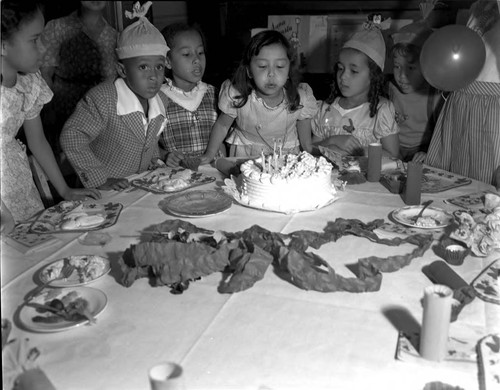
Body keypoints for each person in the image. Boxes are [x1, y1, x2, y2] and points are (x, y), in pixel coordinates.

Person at [0, 0, 100, 223]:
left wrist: (64, 190)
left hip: (18, 184)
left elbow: (38, 142)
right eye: (34, 40)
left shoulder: (29, 83)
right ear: (3, 45)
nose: (42, 48)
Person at [60, 1, 170, 190]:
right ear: (122, 70)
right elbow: (72, 136)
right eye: (143, 67)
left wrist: (155, 161)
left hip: (139, 187)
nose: (153, 76)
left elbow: (148, 141)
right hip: (106, 192)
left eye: (159, 66)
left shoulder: (161, 99)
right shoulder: (103, 99)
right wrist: (99, 179)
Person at [200, 29, 317, 161]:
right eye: (262, 66)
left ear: (289, 69)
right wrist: (209, 154)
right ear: (249, 71)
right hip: (245, 157)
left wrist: (316, 155)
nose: (271, 74)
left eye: (279, 66)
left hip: (286, 158)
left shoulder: (300, 98)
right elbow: (222, 126)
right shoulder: (238, 96)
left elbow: (307, 144)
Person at [426, 0, 500, 186]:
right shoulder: (479, 7)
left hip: (490, 116)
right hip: (460, 106)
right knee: (454, 181)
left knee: (485, 187)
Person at [311, 15, 400, 158]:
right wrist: (332, 141)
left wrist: (355, 152)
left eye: (354, 71)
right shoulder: (325, 109)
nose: (343, 76)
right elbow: (311, 150)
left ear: (372, 76)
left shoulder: (381, 111)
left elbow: (393, 155)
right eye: (340, 68)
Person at [39, 1, 118, 156]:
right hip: (63, 112)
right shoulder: (57, 28)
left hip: (100, 114)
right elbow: (45, 74)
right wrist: (46, 109)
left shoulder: (114, 36)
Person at [159, 22, 223, 167]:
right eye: (187, 54)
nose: (196, 60)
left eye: (200, 52)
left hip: (213, 173)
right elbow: (149, 145)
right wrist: (165, 155)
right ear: (168, 61)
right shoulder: (158, 98)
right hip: (176, 178)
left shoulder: (214, 94)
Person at [388, 18, 444, 162]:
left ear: (426, 65)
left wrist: (428, 153)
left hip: (422, 150)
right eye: (397, 66)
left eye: (411, 68)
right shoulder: (389, 89)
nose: (402, 75)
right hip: (393, 147)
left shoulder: (435, 96)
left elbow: (443, 133)